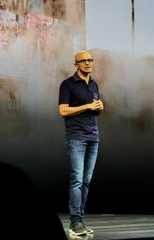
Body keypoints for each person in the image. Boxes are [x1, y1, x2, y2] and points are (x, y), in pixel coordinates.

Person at [58, 50, 104, 236]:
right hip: (76, 137)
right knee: (77, 179)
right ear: (76, 64)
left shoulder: (93, 84)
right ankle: (74, 223)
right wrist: (87, 106)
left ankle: (80, 222)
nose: (87, 63)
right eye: (83, 61)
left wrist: (99, 108)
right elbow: (62, 111)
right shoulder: (68, 85)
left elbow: (93, 111)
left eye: (90, 60)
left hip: (93, 137)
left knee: (86, 181)